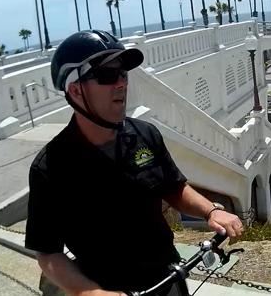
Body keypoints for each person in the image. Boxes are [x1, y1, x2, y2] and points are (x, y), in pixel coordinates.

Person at [25, 30, 243, 296]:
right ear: (75, 90)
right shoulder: (50, 168)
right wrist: (89, 293)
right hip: (106, 286)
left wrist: (211, 211)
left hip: (166, 275)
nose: (121, 83)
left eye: (123, 74)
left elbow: (173, 187)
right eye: (106, 75)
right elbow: (48, 253)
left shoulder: (145, 134)